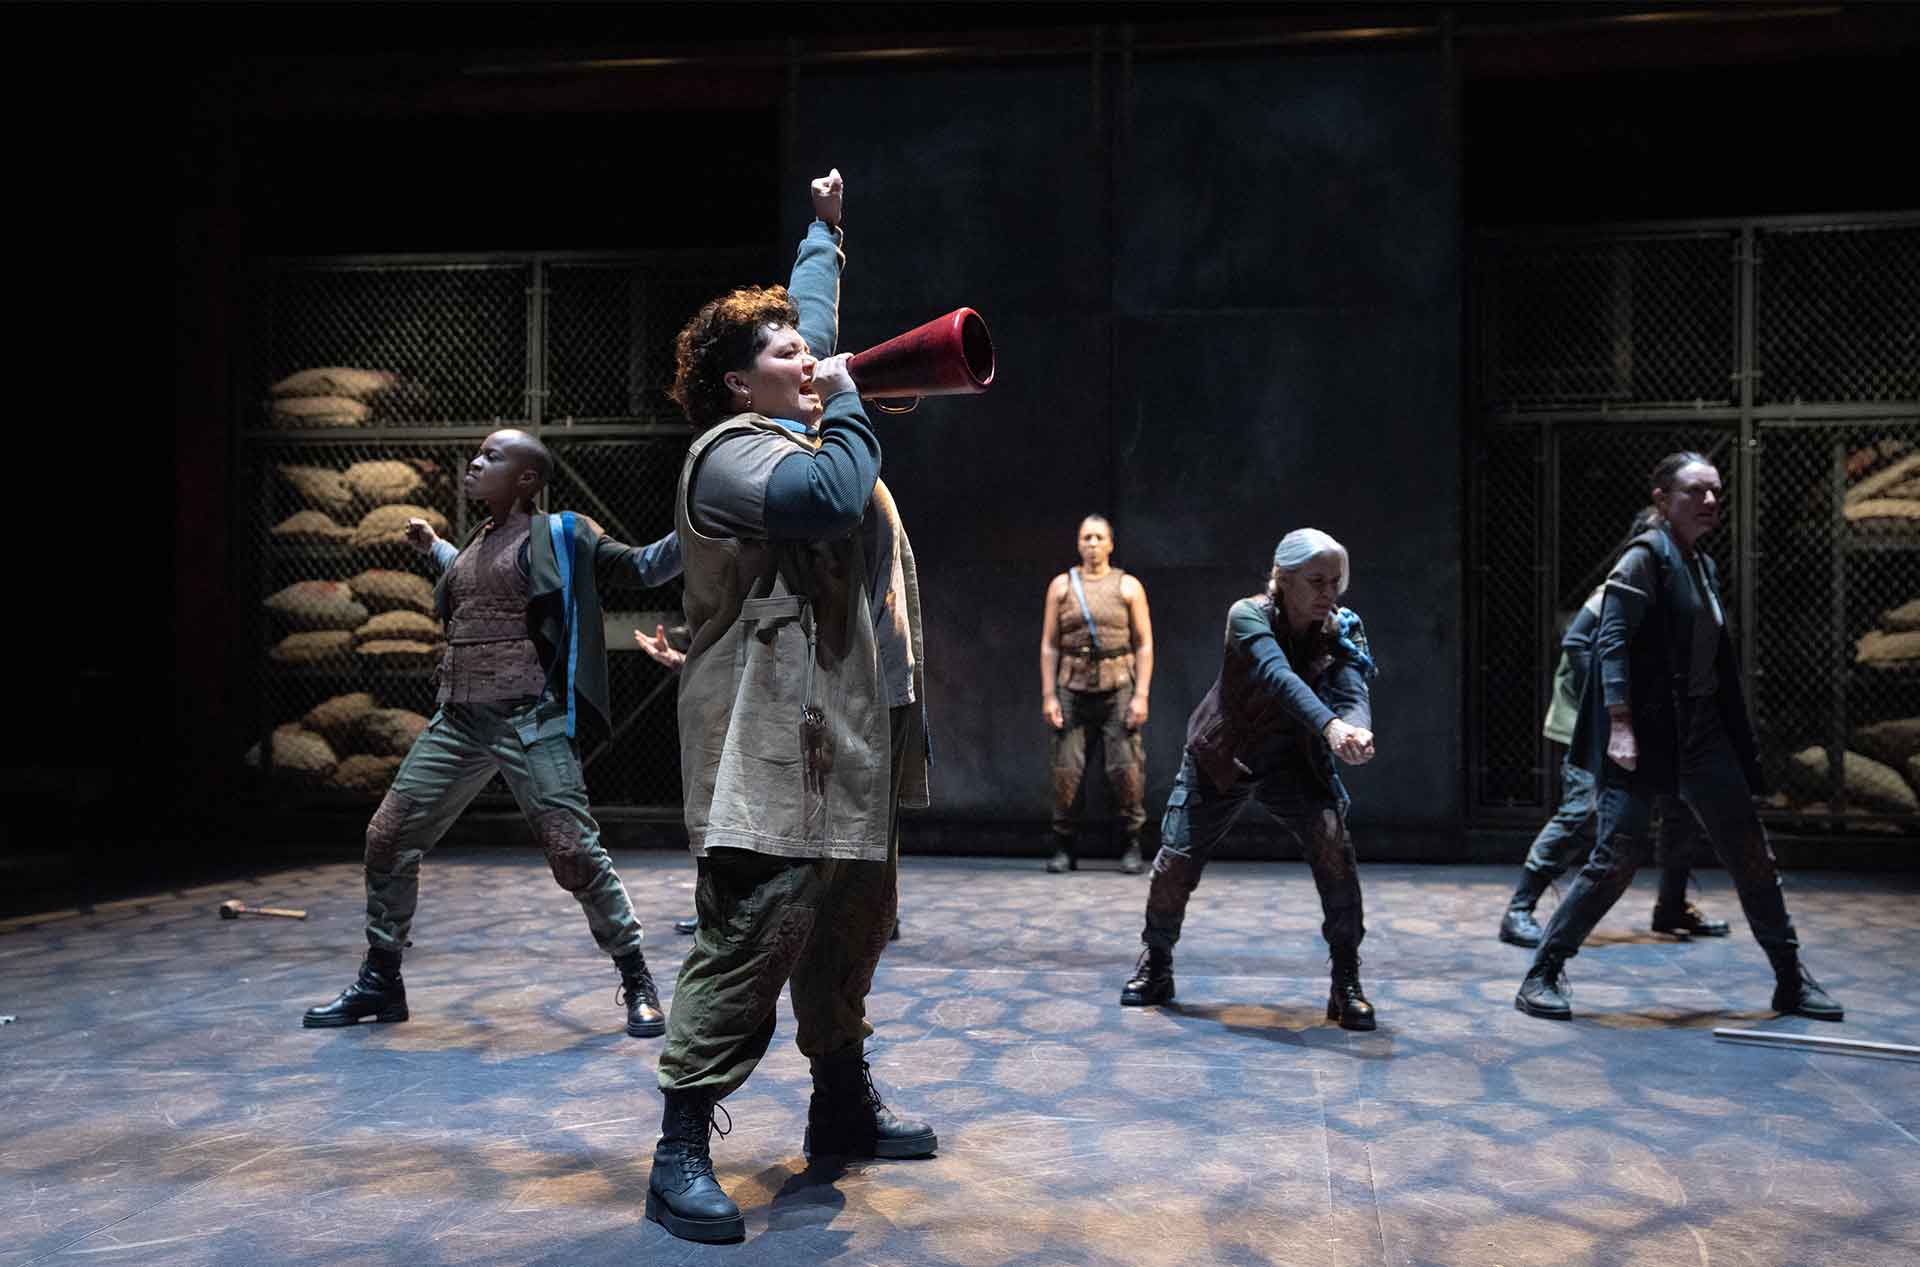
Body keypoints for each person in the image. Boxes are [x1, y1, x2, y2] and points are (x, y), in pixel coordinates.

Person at [641, 168, 936, 1246]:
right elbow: (831, 498)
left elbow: (811, 330)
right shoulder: (732, 457)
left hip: (850, 729)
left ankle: (841, 1100)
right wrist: (849, 395)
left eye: (807, 350)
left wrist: (827, 235)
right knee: (755, 932)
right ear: (734, 385)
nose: (808, 357)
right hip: (770, 743)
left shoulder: (796, 423)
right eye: (782, 354)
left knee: (852, 923)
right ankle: (678, 1148)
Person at [302, 429, 682, 1040]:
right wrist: (435, 547)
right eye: (476, 454)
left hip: (528, 718)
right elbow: (475, 577)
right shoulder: (478, 542)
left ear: (528, 479)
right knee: (388, 837)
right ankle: (382, 978)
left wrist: (704, 519)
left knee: (573, 851)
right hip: (458, 719)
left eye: (491, 457)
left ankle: (636, 977)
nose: (475, 463)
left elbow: (642, 567)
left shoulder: (563, 532)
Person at [1515, 452, 1843, 1023]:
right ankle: (1543, 971)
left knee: (1751, 854)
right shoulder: (1644, 558)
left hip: (1699, 732)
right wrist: (1619, 725)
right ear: (1663, 498)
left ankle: (1791, 979)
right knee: (1615, 857)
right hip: (1644, 732)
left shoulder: (1700, 565)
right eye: (1696, 491)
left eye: (1716, 491)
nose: (1711, 501)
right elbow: (1608, 644)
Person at [1120, 528, 1381, 1031]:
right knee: (1175, 861)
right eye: (1316, 581)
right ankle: (1157, 961)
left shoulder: (1343, 627)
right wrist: (1331, 727)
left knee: (1335, 851)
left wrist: (1357, 732)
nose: (1329, 593)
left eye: (1335, 582)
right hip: (1225, 755)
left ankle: (1346, 979)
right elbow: (1277, 675)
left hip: (1295, 760)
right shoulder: (1247, 617)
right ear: (1283, 579)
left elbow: (1352, 688)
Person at [1499, 510, 1729, 947]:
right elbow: (1576, 642)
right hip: (1592, 724)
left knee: (1680, 809)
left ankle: (1672, 906)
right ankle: (1519, 909)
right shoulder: (1621, 586)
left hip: (1651, 727)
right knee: (1580, 809)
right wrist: (1611, 706)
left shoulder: (1679, 590)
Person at [1039, 515, 1155, 873]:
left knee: (1125, 768)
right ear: (1078, 543)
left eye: (1098, 537)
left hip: (1118, 686)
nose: (1092, 544)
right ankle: (1064, 847)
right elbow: (1049, 645)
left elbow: (1144, 644)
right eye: (1086, 537)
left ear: (1110, 544)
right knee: (1066, 771)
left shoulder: (1128, 587)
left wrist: (1142, 695)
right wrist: (1049, 695)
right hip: (1072, 687)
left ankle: (1132, 843)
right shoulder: (1061, 587)